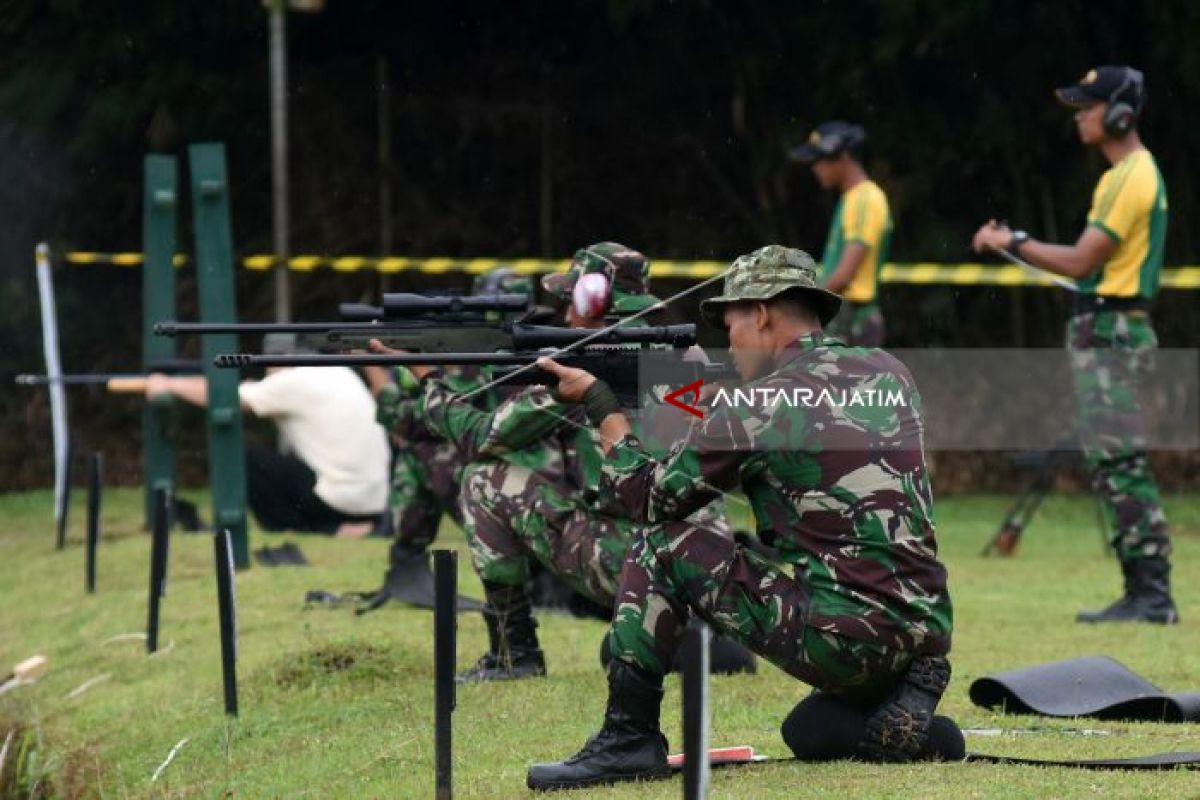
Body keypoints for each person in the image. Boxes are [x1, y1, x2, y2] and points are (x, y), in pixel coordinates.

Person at [526, 246, 955, 789]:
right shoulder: (890, 372)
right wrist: (690, 396)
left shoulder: (761, 403)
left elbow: (649, 498)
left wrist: (604, 408)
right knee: (810, 730)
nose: (728, 341)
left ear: (763, 313)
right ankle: (905, 687)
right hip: (923, 626)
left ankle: (628, 739)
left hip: (847, 638)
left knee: (663, 541)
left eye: (731, 323)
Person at [394, 243, 749, 682]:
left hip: (640, 556)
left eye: (572, 302)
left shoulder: (596, 362)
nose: (566, 318)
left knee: (484, 480)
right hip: (710, 563)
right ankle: (687, 625)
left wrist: (428, 380)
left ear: (595, 300)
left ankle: (514, 652)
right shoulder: (689, 355)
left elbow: (481, 436)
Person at [971, 65, 1177, 625]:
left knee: (1121, 461)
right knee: (1113, 462)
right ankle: (1143, 590)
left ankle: (1152, 594)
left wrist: (1012, 240)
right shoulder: (1120, 176)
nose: (1080, 116)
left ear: (1119, 113)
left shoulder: (1133, 176)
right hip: (1103, 328)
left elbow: (1084, 260)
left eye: (1088, 106)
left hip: (1112, 332)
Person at [145, 333, 390, 536]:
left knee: (240, 455)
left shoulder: (293, 380)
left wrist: (168, 384)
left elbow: (226, 398)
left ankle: (326, 529)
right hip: (374, 501)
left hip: (339, 501)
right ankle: (345, 527)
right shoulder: (338, 373)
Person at [790, 121, 892, 347]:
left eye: (819, 161)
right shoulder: (851, 199)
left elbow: (845, 274)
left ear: (842, 156)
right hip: (844, 318)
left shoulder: (866, 199)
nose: (815, 168)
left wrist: (801, 309)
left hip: (855, 322)